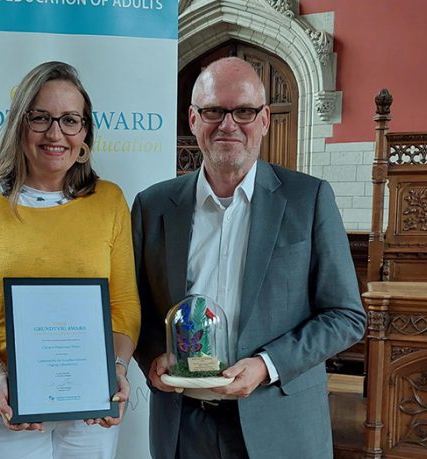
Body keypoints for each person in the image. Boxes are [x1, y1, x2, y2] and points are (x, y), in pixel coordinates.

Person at [132, 57, 366, 459]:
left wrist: (265, 364)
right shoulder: (153, 206)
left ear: (264, 120)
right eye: (213, 111)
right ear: (192, 119)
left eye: (243, 111)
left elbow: (346, 316)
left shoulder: (307, 199)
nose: (228, 125)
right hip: (183, 426)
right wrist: (154, 354)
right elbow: (133, 305)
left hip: (278, 420)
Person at [0, 61, 140, 459]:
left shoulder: (109, 201)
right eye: (41, 118)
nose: (55, 134)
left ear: (85, 133)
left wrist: (115, 368)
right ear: (19, 124)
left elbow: (124, 305)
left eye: (69, 120)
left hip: (88, 410)